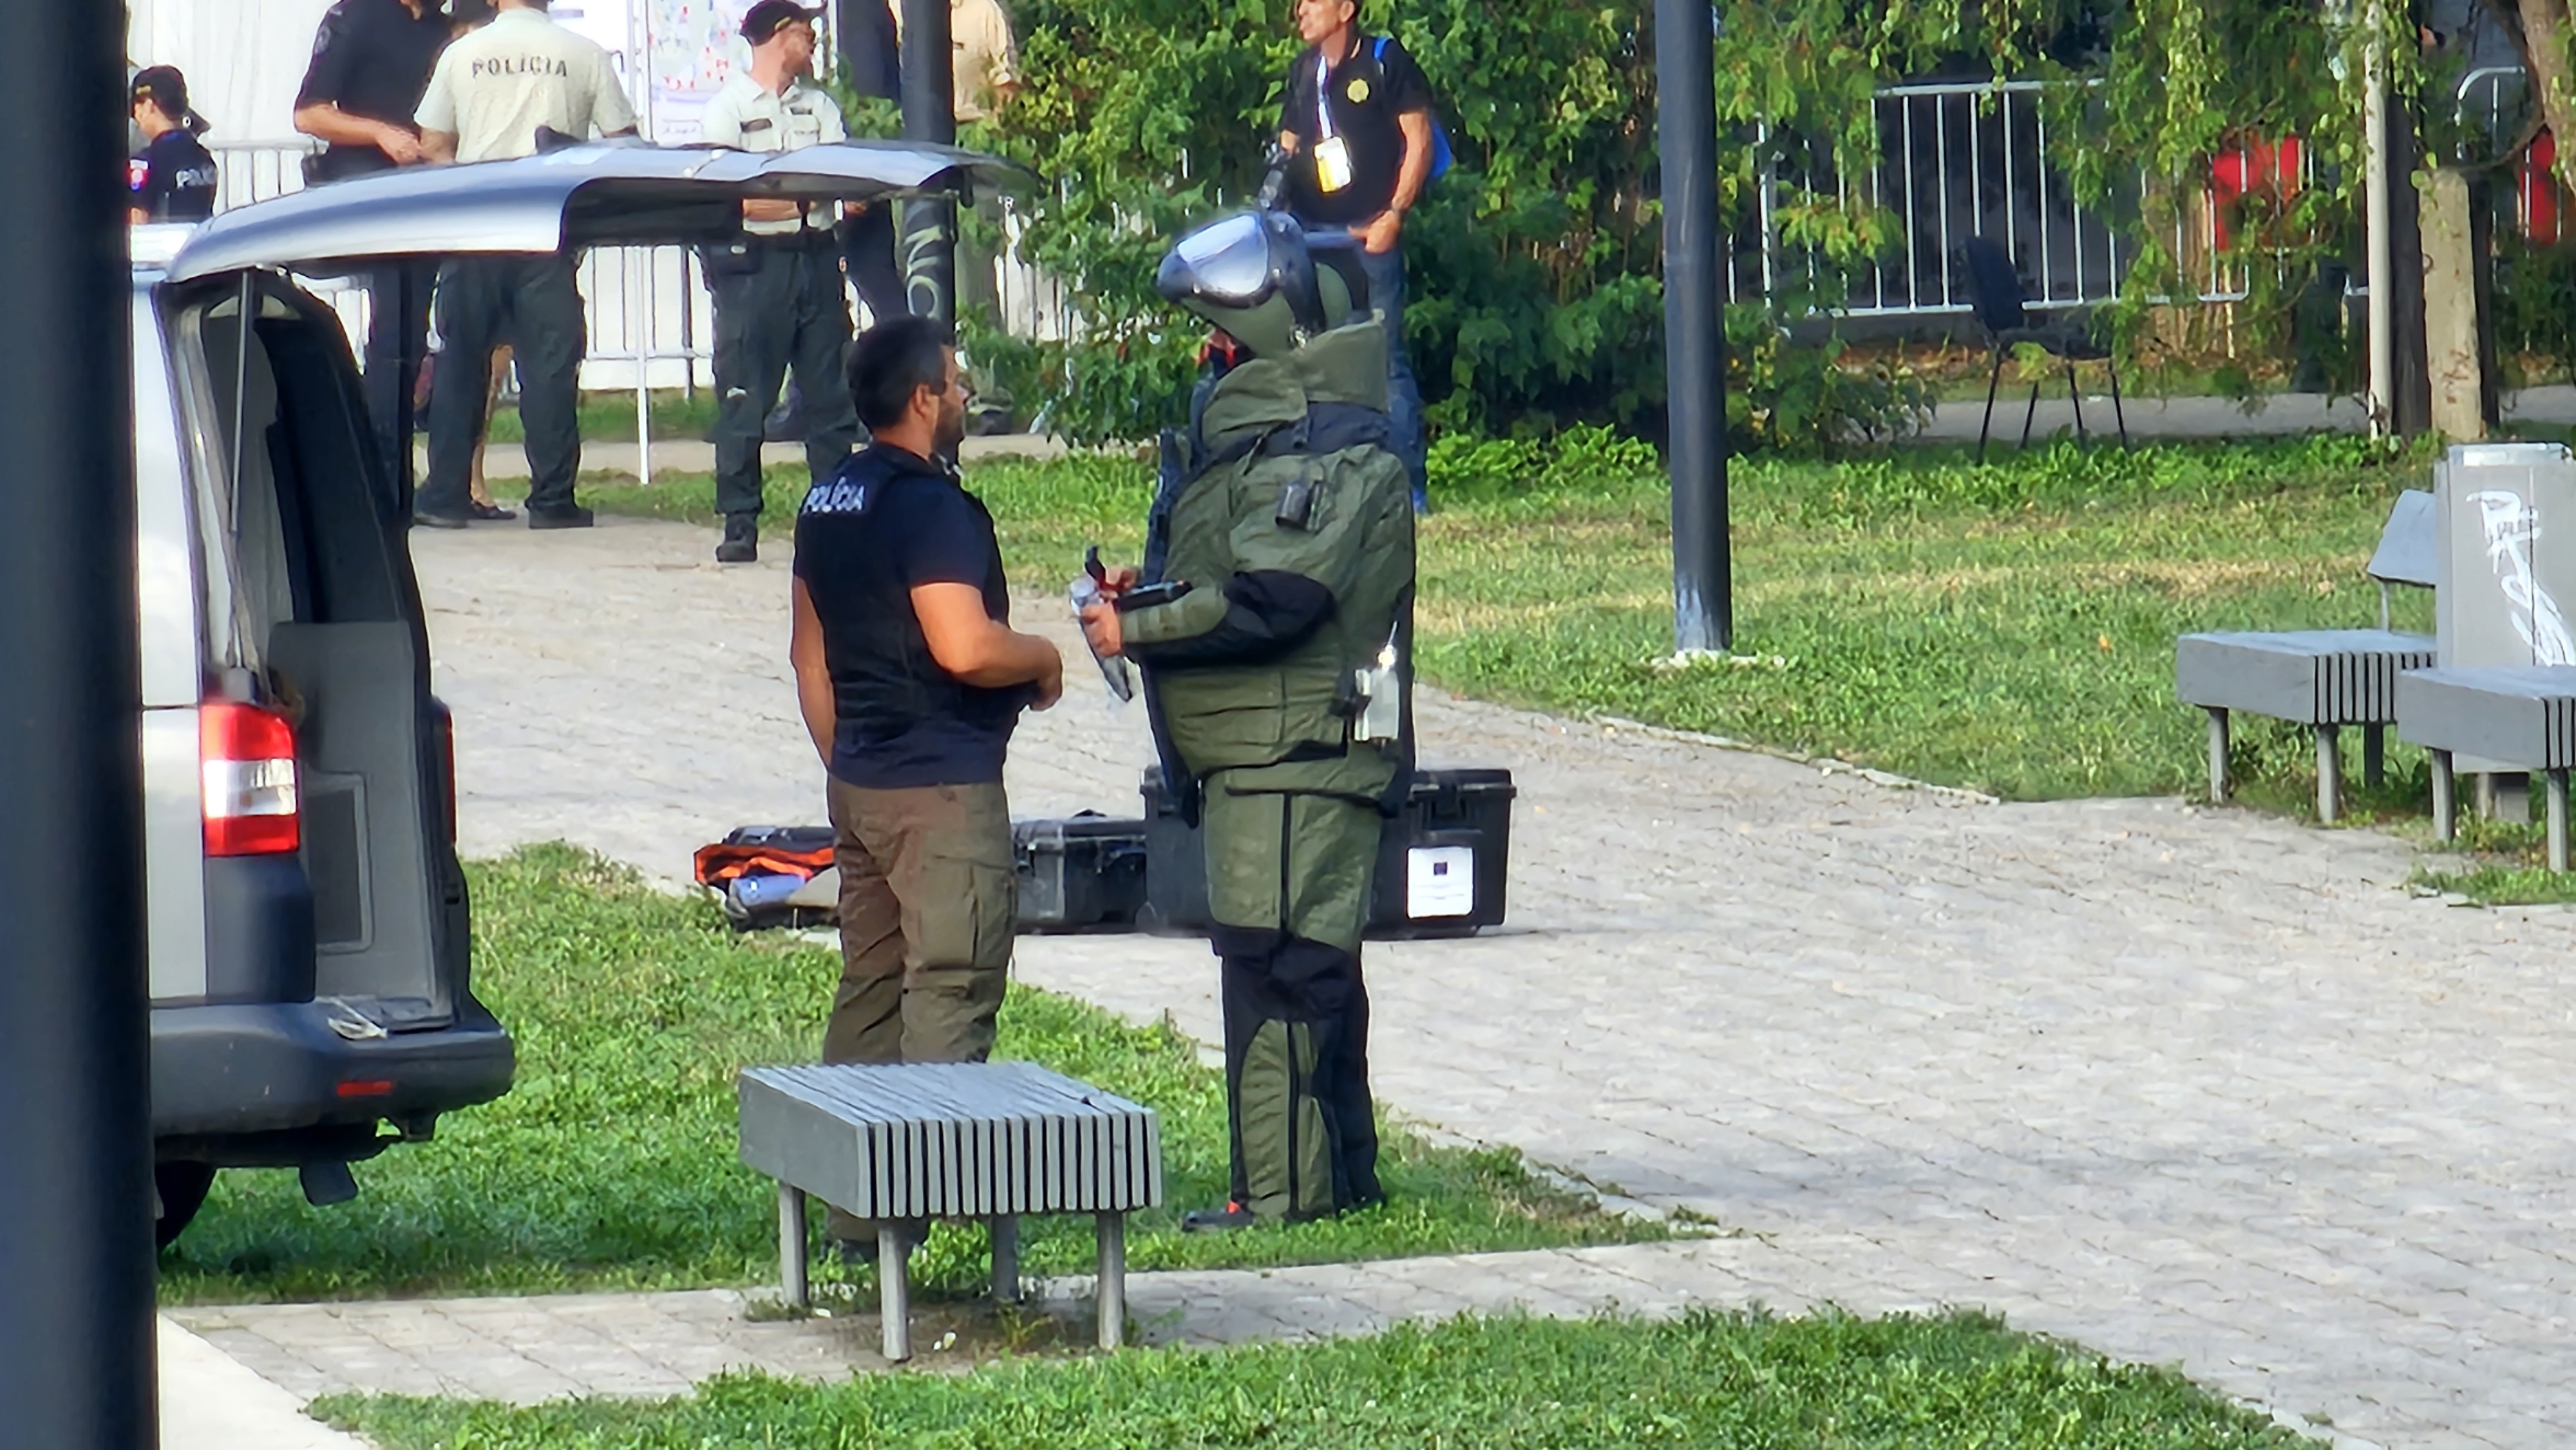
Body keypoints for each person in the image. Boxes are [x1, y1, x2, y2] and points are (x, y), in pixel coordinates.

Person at [1080, 211, 1414, 1229]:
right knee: (1313, 971)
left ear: (1274, 343)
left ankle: (1278, 1196)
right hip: (1277, 758)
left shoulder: (1331, 461)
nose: (1208, 357)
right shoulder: (1286, 452)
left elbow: (1277, 602)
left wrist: (1132, 627)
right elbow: (1240, 574)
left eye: (1221, 341)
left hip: (1291, 759)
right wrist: (1157, 588)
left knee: (1277, 971)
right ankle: (1340, 1183)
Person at [789, 313, 1063, 1252]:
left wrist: (850, 767)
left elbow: (809, 661)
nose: (962, 395)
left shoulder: (828, 500)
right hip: (941, 792)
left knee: (868, 993)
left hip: (861, 782)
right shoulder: (932, 507)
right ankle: (918, 1221)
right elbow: (962, 646)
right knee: (947, 989)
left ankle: (851, 1220)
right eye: (953, 382)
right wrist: (1043, 655)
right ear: (922, 400)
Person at [410, 0, 636, 531]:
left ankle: (444, 492)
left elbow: (433, 141)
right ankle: (553, 498)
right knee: (551, 368)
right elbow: (622, 140)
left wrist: (464, 180)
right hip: (548, 224)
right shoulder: (583, 53)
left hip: (476, 225)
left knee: (462, 362)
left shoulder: (462, 53)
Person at [696, 0, 863, 565]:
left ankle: (836, 517)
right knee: (746, 393)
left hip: (816, 257)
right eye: (803, 32)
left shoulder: (819, 107)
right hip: (756, 267)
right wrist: (802, 196)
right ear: (774, 36)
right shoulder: (728, 110)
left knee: (829, 396)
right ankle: (739, 520)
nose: (812, 41)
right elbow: (729, 201)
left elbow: (849, 186)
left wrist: (787, 197)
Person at [294, 0, 465, 518]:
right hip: (369, 189)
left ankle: (420, 479)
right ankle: (381, 480)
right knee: (392, 335)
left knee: (418, 337)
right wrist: (378, 133)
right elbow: (310, 113)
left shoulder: (443, 27)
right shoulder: (355, 17)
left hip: (430, 187)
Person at [1277, 0, 1432, 512]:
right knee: (1317, 363)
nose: (1300, 10)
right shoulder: (1303, 73)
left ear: (1345, 8)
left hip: (1369, 236)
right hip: (1315, 240)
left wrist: (1394, 215)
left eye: (1312, 1)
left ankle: (1409, 489)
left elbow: (1419, 141)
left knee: (1385, 360)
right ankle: (1331, 480)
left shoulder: (1384, 60)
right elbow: (1285, 150)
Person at [128, 67, 218, 224]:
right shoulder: (203, 156)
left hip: (161, 245)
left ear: (149, 106)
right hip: (199, 243)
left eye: (136, 106)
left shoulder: (146, 161)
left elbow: (138, 218)